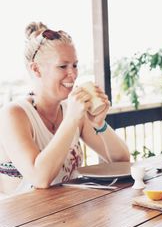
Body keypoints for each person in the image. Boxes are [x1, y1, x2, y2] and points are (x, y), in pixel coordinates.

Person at [0, 22, 130, 197]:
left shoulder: (71, 110)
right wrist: (71, 119)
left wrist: (100, 124)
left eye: (75, 65)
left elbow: (122, 162)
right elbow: (39, 178)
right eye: (63, 66)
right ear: (36, 69)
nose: (73, 74)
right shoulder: (13, 114)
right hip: (24, 221)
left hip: (67, 213)